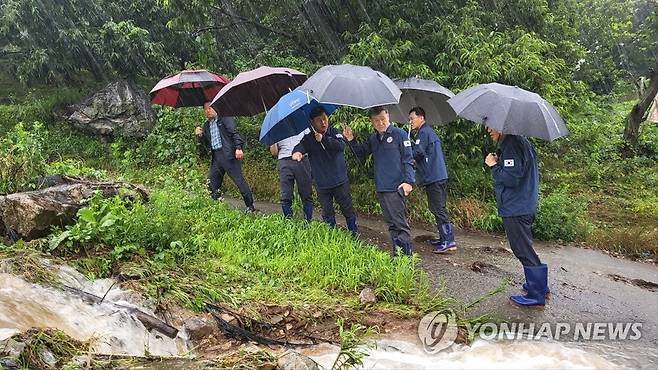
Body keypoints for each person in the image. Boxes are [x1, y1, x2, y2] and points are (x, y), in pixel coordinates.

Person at [484, 127, 548, 307]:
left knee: (522, 249)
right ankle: (540, 287)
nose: (488, 129)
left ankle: (537, 295)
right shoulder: (520, 141)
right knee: (525, 247)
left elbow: (511, 180)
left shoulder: (512, 144)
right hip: (523, 204)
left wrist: (493, 165)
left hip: (517, 206)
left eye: (492, 124)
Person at [343, 106, 415, 256]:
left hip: (396, 187)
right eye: (376, 121)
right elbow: (360, 152)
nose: (380, 123)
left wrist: (409, 181)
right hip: (381, 187)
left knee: (400, 223)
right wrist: (350, 139)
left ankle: (407, 259)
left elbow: (408, 159)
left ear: (388, 116)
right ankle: (397, 255)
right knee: (391, 224)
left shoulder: (399, 134)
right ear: (372, 122)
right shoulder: (373, 138)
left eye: (383, 119)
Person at [292, 107, 358, 234]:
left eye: (325, 118)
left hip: (340, 180)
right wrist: (297, 153)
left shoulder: (335, 132)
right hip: (322, 184)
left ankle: (354, 235)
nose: (323, 122)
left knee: (348, 209)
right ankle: (332, 237)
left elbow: (340, 146)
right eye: (319, 120)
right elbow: (299, 147)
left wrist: (323, 139)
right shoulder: (309, 138)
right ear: (312, 122)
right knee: (327, 213)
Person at [408, 106, 457, 253]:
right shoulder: (427, 132)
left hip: (434, 177)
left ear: (421, 118)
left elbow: (417, 153)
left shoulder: (424, 133)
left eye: (412, 118)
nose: (410, 122)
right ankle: (444, 238)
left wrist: (406, 145)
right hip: (437, 176)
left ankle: (449, 241)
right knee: (437, 208)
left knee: (438, 209)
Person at [196, 102, 255, 212]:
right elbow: (204, 147)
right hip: (216, 157)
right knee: (211, 182)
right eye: (205, 109)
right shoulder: (206, 126)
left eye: (210, 108)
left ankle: (250, 206)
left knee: (239, 181)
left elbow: (234, 133)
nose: (208, 111)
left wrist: (238, 148)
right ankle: (216, 205)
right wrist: (200, 136)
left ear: (216, 108)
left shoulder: (225, 118)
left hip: (228, 155)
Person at [270, 129, 313, 221]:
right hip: (284, 160)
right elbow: (274, 152)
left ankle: (307, 222)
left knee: (306, 194)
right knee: (285, 195)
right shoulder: (276, 128)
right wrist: (272, 140)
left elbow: (310, 141)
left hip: (302, 159)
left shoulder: (301, 123)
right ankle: (289, 222)